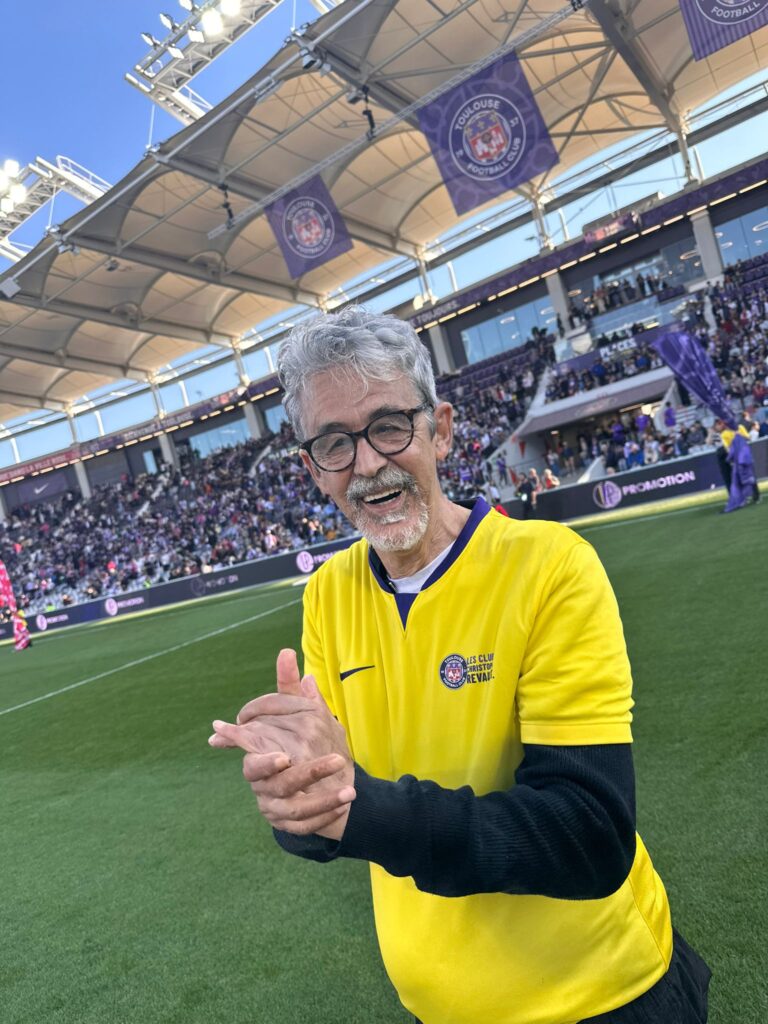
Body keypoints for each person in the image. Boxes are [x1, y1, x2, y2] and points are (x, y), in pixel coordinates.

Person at [209, 306, 711, 1024]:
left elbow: (590, 834)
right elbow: (338, 794)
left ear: (439, 429)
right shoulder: (327, 594)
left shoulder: (550, 566)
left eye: (389, 426)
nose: (368, 464)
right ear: (313, 470)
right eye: (335, 443)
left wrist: (357, 810)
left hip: (604, 997)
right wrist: (296, 801)